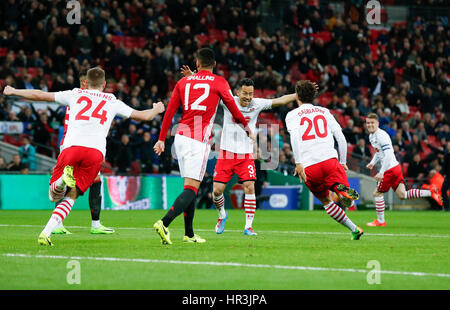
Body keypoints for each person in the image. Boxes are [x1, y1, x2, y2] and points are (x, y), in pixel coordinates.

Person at [3, 66, 165, 246]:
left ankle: (61, 182)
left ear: (86, 82)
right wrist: (157, 109)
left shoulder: (75, 94)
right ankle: (45, 233)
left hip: (71, 148)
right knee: (71, 196)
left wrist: (14, 91)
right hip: (95, 154)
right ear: (104, 84)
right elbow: (143, 116)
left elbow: (40, 94)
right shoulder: (112, 100)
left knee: (53, 196)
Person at [153, 48, 254, 245]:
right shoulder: (219, 82)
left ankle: (189, 234)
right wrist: (246, 127)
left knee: (189, 186)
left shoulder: (183, 82)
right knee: (192, 189)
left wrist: (161, 139)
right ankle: (164, 223)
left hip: (180, 138)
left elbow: (170, 111)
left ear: (197, 64)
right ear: (214, 64)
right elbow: (233, 109)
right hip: (197, 141)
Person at [286, 80, 363, 240]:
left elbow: (294, 137)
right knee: (339, 189)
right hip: (329, 160)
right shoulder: (324, 111)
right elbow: (341, 138)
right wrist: (342, 162)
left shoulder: (291, 115)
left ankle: (354, 229)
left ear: (297, 96)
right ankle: (343, 193)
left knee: (326, 201)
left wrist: (298, 162)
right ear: (314, 96)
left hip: (309, 167)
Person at [52, 69, 115, 235]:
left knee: (94, 180)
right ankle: (87, 224)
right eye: (82, 83)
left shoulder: (88, 100)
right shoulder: (76, 98)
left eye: (86, 83)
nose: (84, 86)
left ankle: (94, 224)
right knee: (74, 180)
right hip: (72, 145)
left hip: (85, 146)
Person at [365, 113, 441, 227]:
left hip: (389, 169)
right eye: (368, 123)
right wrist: (372, 163)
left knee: (377, 193)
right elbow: (378, 152)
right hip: (395, 167)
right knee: (402, 194)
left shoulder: (381, 135)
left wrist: (381, 172)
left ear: (377, 124)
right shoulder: (372, 136)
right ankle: (430, 192)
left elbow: (389, 155)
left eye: (372, 123)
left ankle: (381, 221)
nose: (370, 125)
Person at [441, 141, 450, 211]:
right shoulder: (447, 155)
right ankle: (446, 207)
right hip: (448, 176)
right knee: (443, 190)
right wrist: (442, 173)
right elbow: (445, 166)